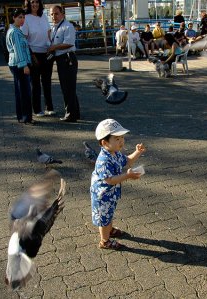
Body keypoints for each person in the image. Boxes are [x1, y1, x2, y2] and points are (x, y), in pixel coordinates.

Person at [90, 119, 146, 250]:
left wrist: (137, 152)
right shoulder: (103, 160)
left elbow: (128, 161)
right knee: (104, 218)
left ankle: (109, 230)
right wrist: (127, 175)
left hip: (111, 193)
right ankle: (104, 241)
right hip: (102, 195)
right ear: (104, 142)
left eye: (122, 137)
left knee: (109, 213)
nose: (121, 141)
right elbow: (110, 180)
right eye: (117, 139)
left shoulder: (114, 153)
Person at [22, 0, 55, 118]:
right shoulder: (26, 18)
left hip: (46, 53)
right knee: (35, 84)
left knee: (47, 82)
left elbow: (49, 33)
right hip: (34, 54)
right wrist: (30, 55)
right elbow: (24, 39)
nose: (34, 4)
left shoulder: (44, 17)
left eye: (36, 2)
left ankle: (49, 107)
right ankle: (36, 109)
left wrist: (51, 47)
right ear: (28, 4)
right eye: (32, 2)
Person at [48, 5, 80, 122]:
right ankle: (75, 112)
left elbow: (69, 43)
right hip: (61, 59)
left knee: (68, 87)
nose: (53, 16)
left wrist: (53, 47)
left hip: (67, 58)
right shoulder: (55, 27)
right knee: (67, 87)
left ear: (62, 14)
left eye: (56, 13)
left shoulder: (67, 26)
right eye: (51, 14)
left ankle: (71, 114)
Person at [6, 8, 34, 125]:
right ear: (14, 18)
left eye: (23, 17)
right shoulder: (15, 32)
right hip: (19, 64)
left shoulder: (16, 30)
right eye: (19, 17)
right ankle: (25, 117)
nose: (22, 20)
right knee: (24, 92)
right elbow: (18, 50)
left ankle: (22, 116)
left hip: (17, 63)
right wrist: (24, 65)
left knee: (21, 91)